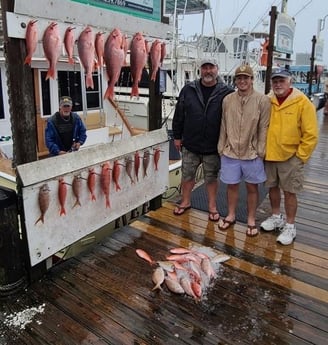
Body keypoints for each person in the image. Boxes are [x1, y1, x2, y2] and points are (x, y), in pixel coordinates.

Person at [260, 68, 318, 245]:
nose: (278, 84)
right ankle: (276, 216)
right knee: (272, 188)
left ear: (290, 81)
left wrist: (301, 156)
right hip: (270, 155)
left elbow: (311, 134)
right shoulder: (267, 100)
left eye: (281, 81)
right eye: (275, 81)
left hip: (291, 157)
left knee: (290, 192)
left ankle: (290, 225)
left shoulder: (302, 102)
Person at [172, 58, 233, 221]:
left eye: (211, 67)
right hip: (190, 143)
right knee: (187, 175)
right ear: (200, 70)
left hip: (213, 146)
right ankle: (185, 201)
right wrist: (176, 136)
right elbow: (179, 114)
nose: (208, 71)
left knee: (211, 178)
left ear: (217, 69)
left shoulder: (227, 92)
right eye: (205, 68)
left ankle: (212, 207)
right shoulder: (188, 89)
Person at [217, 65, 271, 236]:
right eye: (239, 78)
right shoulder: (227, 100)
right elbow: (223, 125)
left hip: (252, 153)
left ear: (252, 80)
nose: (242, 81)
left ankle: (251, 219)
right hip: (230, 151)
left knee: (252, 188)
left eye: (245, 78)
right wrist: (221, 146)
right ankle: (231, 215)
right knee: (231, 186)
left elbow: (264, 127)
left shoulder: (262, 100)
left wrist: (260, 150)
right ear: (236, 80)